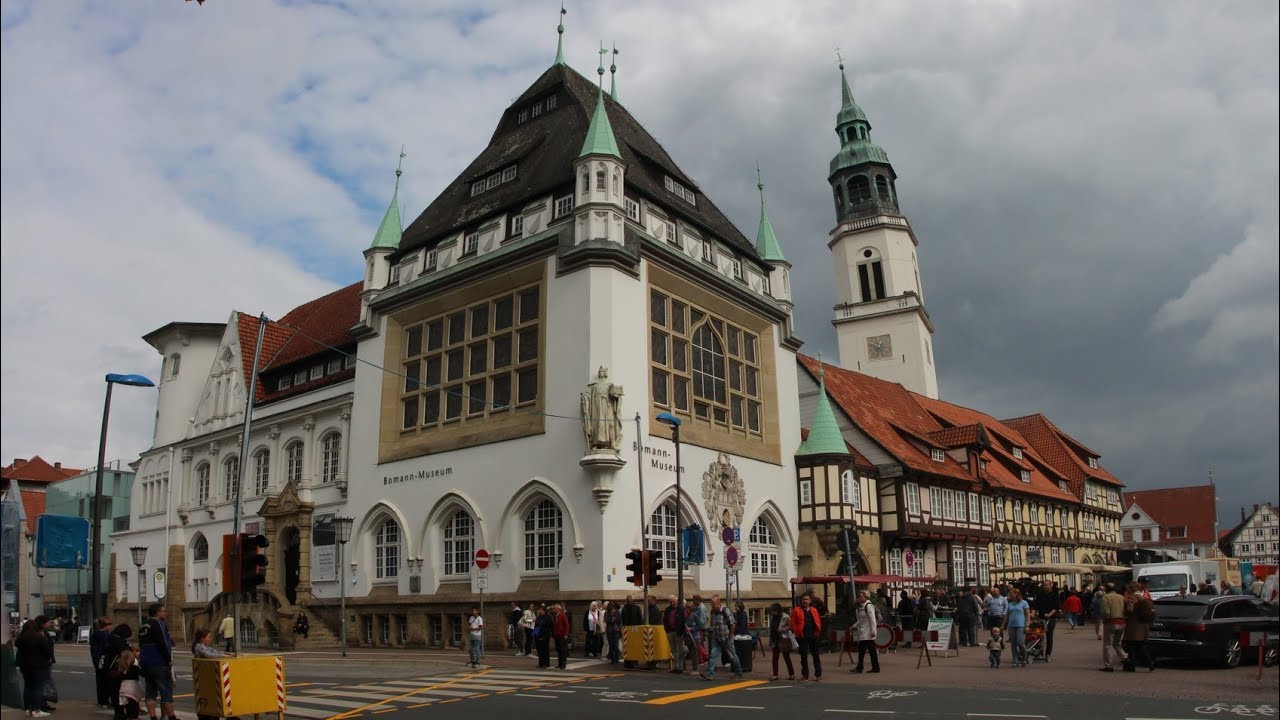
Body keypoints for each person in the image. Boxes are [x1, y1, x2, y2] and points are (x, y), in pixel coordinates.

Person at [138, 603, 176, 720]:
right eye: (164, 611)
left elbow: (141, 644)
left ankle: (153, 717)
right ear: (157, 613)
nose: (165, 613)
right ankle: (171, 717)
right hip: (159, 662)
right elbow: (162, 643)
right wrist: (168, 659)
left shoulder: (143, 625)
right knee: (166, 692)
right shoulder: (158, 623)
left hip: (146, 663)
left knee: (150, 692)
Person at [15, 615, 55, 717]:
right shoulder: (39, 638)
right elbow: (48, 651)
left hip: (25, 666)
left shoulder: (20, 639)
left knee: (28, 686)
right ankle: (36, 710)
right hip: (39, 666)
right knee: (38, 687)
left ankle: (27, 709)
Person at [190, 628, 234, 720]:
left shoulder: (205, 646)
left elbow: (215, 652)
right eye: (209, 637)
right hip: (204, 675)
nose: (210, 639)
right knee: (209, 697)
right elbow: (209, 655)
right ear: (202, 638)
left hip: (207, 675)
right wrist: (224, 656)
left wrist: (228, 654)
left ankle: (212, 715)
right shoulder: (199, 646)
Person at [700, 595, 742, 680]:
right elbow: (713, 625)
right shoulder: (712, 612)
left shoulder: (726, 611)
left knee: (732, 656)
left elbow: (733, 624)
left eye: (713, 604)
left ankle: (738, 672)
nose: (712, 606)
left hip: (726, 638)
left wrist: (729, 637)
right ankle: (710, 674)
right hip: (716, 638)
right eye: (711, 604)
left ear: (718, 603)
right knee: (713, 655)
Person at [1122, 583, 1156, 672]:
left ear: (1131, 589)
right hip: (1143, 625)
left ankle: (1132, 665)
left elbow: (1130, 609)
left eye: (1128, 589)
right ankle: (1150, 663)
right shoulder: (1142, 597)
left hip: (1134, 626)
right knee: (1141, 646)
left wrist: (1125, 614)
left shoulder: (1132, 597)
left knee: (1131, 646)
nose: (1126, 590)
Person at [104, 624, 134, 720]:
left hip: (109, 667)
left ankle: (118, 713)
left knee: (114, 692)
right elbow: (126, 653)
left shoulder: (110, 638)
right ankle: (124, 713)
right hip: (118, 668)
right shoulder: (119, 641)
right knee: (123, 691)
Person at [791, 594, 823, 682]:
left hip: (813, 635)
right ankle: (805, 675)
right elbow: (793, 622)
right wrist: (797, 632)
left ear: (810, 601)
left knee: (816, 655)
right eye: (803, 599)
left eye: (806, 599)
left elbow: (818, 621)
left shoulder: (814, 610)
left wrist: (818, 631)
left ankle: (818, 675)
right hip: (802, 636)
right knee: (803, 656)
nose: (805, 601)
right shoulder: (796, 610)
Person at [849, 591, 881, 674]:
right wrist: (854, 626)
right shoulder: (863, 606)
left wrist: (873, 631)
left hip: (868, 633)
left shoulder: (868, 606)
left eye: (861, 596)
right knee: (870, 651)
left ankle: (860, 668)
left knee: (863, 650)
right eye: (859, 596)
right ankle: (875, 668)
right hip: (865, 633)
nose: (859, 598)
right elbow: (861, 620)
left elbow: (873, 620)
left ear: (866, 597)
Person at [1099, 582, 1127, 672]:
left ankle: (1108, 665)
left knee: (1107, 645)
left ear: (1106, 589)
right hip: (1122, 622)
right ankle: (1125, 657)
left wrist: (1104, 620)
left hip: (1111, 622)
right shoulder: (1121, 597)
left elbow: (1106, 612)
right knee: (1117, 643)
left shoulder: (1106, 597)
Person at [767, 602, 795, 681]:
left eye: (774, 611)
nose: (773, 612)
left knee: (786, 657)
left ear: (778, 610)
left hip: (783, 639)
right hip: (774, 639)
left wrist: (782, 629)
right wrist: (770, 640)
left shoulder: (785, 617)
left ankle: (791, 674)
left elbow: (791, 626)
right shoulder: (772, 618)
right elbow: (771, 630)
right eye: (772, 611)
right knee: (775, 658)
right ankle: (775, 675)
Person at [1003, 587, 1030, 668]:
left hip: (1021, 625)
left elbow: (1027, 615)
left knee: (1020, 643)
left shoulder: (1024, 603)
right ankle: (1015, 660)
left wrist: (1027, 625)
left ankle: (1024, 657)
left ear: (1016, 594)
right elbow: (1007, 615)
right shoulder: (1010, 604)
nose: (1010, 595)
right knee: (1013, 644)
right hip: (1011, 626)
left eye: (1011, 594)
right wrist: (1003, 625)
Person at [114, 648, 144, 720]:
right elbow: (142, 673)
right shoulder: (134, 667)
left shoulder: (121, 668)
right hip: (133, 686)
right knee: (134, 702)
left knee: (126, 702)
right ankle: (133, 716)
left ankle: (126, 715)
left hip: (124, 686)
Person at [91, 617, 114, 709]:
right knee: (106, 681)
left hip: (98, 660)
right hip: (104, 660)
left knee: (100, 681)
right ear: (105, 626)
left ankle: (102, 701)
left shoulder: (95, 634)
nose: (111, 627)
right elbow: (106, 648)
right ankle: (105, 701)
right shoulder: (105, 635)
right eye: (109, 625)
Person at [1034, 580, 1060, 660]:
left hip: (1051, 617)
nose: (1045, 587)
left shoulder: (1054, 595)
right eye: (1044, 585)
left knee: (1049, 635)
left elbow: (1056, 607)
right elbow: (1036, 605)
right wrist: (1035, 612)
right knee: (1038, 634)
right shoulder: (1040, 594)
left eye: (1047, 585)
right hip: (1041, 617)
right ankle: (1039, 652)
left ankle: (1048, 653)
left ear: (1050, 586)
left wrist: (1049, 614)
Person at [662, 597, 686, 673]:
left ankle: (679, 667)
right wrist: (666, 630)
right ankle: (676, 666)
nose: (672, 603)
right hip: (670, 632)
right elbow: (665, 620)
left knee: (679, 650)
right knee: (673, 650)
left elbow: (683, 621)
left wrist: (681, 631)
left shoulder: (681, 609)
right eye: (670, 602)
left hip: (678, 632)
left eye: (673, 602)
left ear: (676, 601)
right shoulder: (667, 609)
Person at [552, 603, 571, 670]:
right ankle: (559, 663)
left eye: (554, 608)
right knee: (559, 650)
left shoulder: (562, 615)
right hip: (557, 635)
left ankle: (563, 664)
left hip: (562, 635)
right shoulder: (555, 616)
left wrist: (566, 634)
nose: (553, 609)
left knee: (563, 650)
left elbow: (567, 625)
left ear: (558, 609)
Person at [533, 604, 552, 669]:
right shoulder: (539, 617)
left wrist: (546, 634)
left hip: (545, 636)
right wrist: (535, 634)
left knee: (545, 650)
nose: (540, 611)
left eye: (541, 610)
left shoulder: (548, 617)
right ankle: (540, 663)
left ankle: (545, 663)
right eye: (540, 610)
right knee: (539, 650)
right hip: (538, 635)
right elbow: (536, 626)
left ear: (544, 611)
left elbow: (550, 627)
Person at [604, 600, 622, 665]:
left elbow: (620, 621)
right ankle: (612, 659)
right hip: (609, 631)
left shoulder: (617, 612)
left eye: (613, 606)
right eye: (611, 606)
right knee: (611, 645)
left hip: (616, 631)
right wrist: (611, 616)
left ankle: (616, 659)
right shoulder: (606, 613)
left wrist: (619, 627)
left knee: (615, 645)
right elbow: (607, 621)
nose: (612, 608)